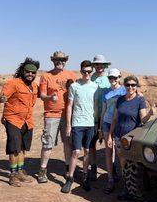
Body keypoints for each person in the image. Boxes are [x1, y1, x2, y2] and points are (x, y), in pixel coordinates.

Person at [109, 75, 155, 199]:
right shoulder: (120, 100)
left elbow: (143, 119)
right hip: (119, 136)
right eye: (128, 85)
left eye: (133, 85)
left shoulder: (140, 100)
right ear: (124, 86)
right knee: (123, 163)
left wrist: (150, 114)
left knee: (133, 164)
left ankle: (134, 190)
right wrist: (109, 135)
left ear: (136, 86)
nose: (130, 87)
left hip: (132, 138)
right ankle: (127, 188)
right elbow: (114, 118)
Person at [0, 57, 40, 187]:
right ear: (22, 70)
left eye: (33, 72)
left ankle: (20, 171)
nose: (30, 74)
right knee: (14, 149)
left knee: (22, 148)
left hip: (27, 121)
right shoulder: (13, 83)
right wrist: (2, 98)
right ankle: (13, 175)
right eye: (28, 71)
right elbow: (1, 96)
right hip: (13, 119)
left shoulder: (34, 86)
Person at [37, 51, 76, 184]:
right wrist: (50, 97)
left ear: (66, 61)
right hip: (51, 114)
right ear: (53, 61)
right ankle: (42, 171)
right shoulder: (46, 76)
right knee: (47, 143)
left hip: (67, 115)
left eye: (63, 59)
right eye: (57, 59)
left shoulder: (71, 75)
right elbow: (41, 95)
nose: (60, 62)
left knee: (67, 142)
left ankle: (67, 169)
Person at [61, 60, 98, 194]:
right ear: (81, 71)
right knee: (76, 152)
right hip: (77, 123)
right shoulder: (75, 86)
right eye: (84, 71)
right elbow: (69, 106)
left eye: (89, 71)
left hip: (90, 124)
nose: (87, 73)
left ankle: (85, 176)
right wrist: (69, 125)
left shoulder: (94, 87)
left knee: (87, 151)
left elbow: (94, 106)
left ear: (91, 72)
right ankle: (70, 178)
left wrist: (96, 123)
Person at [98, 68, 126, 194]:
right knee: (108, 151)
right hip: (107, 123)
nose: (113, 80)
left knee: (121, 153)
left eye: (115, 78)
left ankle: (125, 180)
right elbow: (103, 111)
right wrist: (100, 128)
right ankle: (110, 179)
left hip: (120, 124)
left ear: (119, 77)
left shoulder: (124, 90)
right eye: (110, 78)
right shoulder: (106, 93)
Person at [87, 54, 111, 181]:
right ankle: (93, 169)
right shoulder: (90, 78)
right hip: (93, 116)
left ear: (105, 65)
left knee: (109, 144)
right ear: (94, 66)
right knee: (91, 144)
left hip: (107, 116)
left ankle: (112, 170)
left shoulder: (110, 78)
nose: (99, 66)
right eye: (97, 64)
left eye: (101, 64)